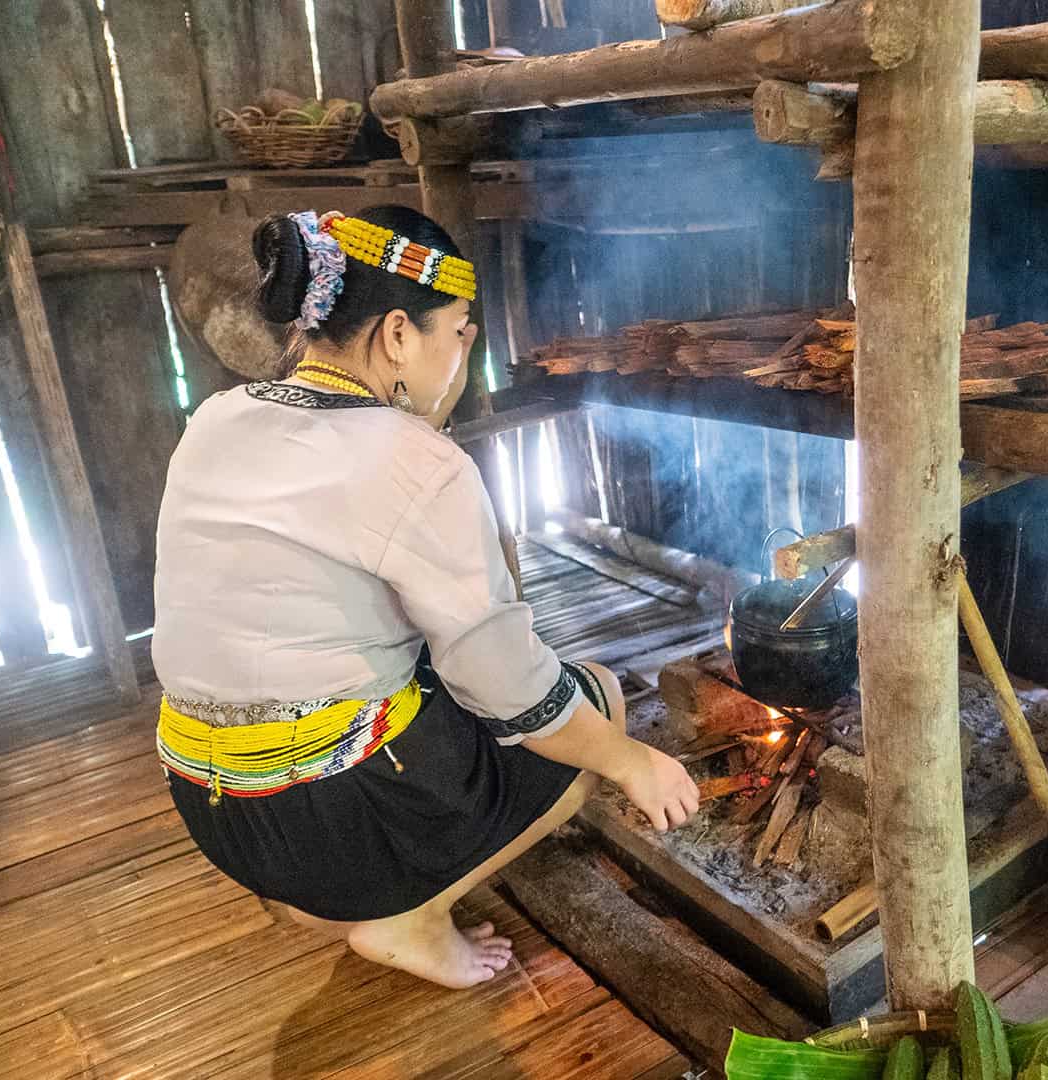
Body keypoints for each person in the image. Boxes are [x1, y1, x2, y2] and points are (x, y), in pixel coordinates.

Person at [152, 205, 699, 989]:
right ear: (399, 336)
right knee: (596, 703)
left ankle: (329, 900)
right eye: (460, 331)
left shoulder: (218, 418)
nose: (465, 352)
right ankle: (409, 916)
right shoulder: (412, 458)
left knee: (443, 682)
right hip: (329, 816)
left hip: (212, 807)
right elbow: (518, 695)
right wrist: (631, 760)